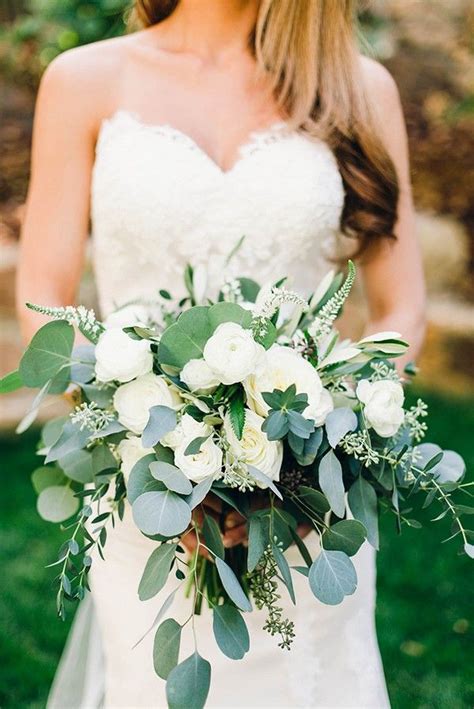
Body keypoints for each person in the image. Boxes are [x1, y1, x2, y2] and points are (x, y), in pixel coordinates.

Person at [17, 1, 426, 706]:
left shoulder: (358, 87)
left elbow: (403, 306)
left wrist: (314, 459)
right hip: (147, 503)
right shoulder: (84, 80)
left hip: (310, 515)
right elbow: (43, 300)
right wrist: (160, 454)